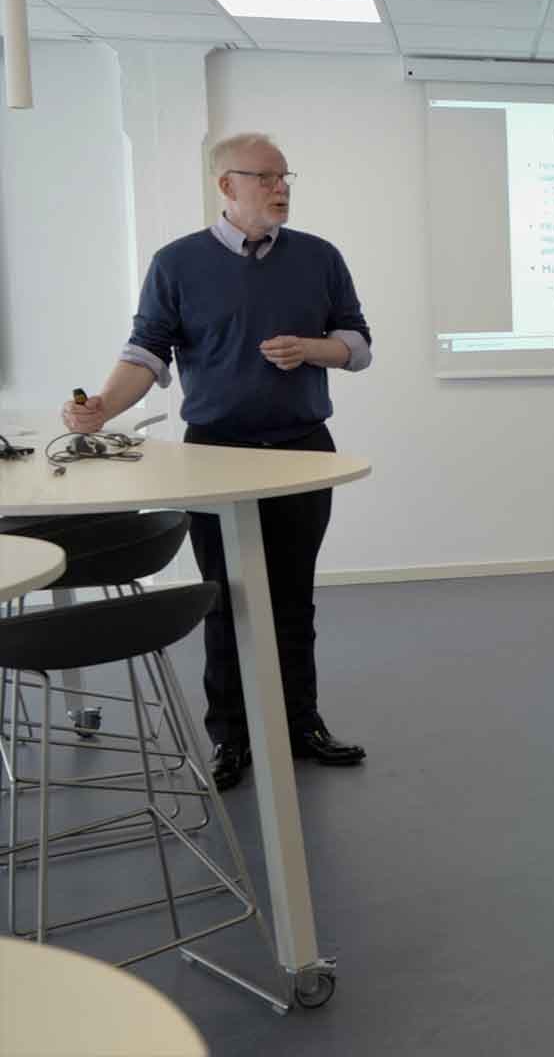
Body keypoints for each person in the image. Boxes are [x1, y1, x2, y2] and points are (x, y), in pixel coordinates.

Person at [62, 132, 372, 790]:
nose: (281, 187)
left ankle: (301, 723)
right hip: (214, 453)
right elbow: (147, 351)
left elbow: (357, 342)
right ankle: (232, 735)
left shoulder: (319, 256)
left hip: (302, 451)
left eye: (285, 176)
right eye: (266, 177)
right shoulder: (177, 262)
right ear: (226, 185)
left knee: (293, 594)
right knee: (226, 597)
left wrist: (313, 349)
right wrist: (104, 407)